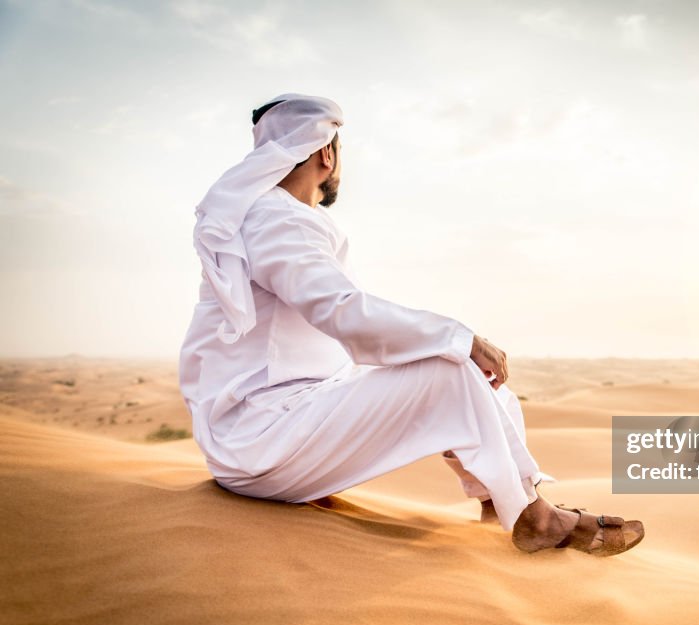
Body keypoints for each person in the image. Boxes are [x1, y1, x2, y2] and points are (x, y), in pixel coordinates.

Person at [178, 93, 644, 556]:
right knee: (450, 368)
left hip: (280, 429)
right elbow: (341, 311)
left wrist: (454, 346)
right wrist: (462, 338)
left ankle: (498, 504)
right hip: (262, 442)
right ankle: (537, 518)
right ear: (326, 153)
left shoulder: (275, 217)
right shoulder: (276, 219)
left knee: (480, 382)